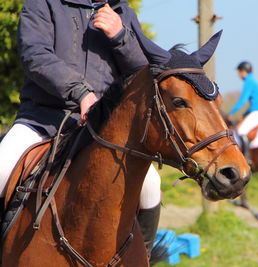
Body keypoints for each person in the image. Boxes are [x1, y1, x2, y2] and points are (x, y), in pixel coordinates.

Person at [0, 0, 161, 256]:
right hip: (42, 121)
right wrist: (81, 92)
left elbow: (143, 71)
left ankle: (141, 258)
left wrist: (121, 37)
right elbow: (35, 54)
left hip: (101, 130)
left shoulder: (122, 12)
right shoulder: (43, 3)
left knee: (151, 184)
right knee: (0, 169)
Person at [227, 61, 258, 159]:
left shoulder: (249, 81)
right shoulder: (253, 80)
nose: (239, 75)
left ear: (243, 71)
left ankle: (246, 157)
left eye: (239, 72)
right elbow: (254, 103)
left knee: (241, 131)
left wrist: (231, 112)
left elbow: (242, 100)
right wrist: (245, 113)